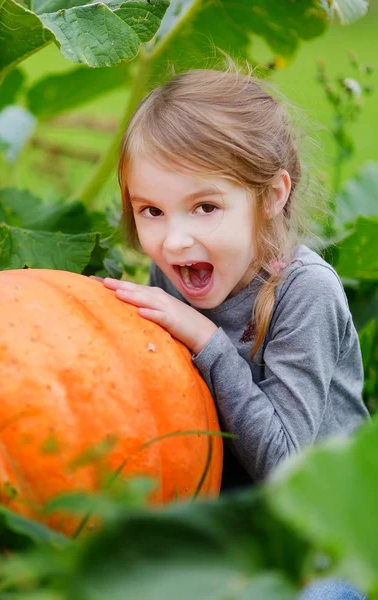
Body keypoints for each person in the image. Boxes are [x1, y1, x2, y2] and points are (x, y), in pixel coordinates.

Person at [95, 67, 369, 600]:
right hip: (229, 530)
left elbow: (288, 470)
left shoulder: (304, 294)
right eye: (150, 210)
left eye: (205, 207)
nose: (174, 241)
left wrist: (207, 342)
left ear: (271, 196)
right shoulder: (177, 270)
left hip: (324, 541)